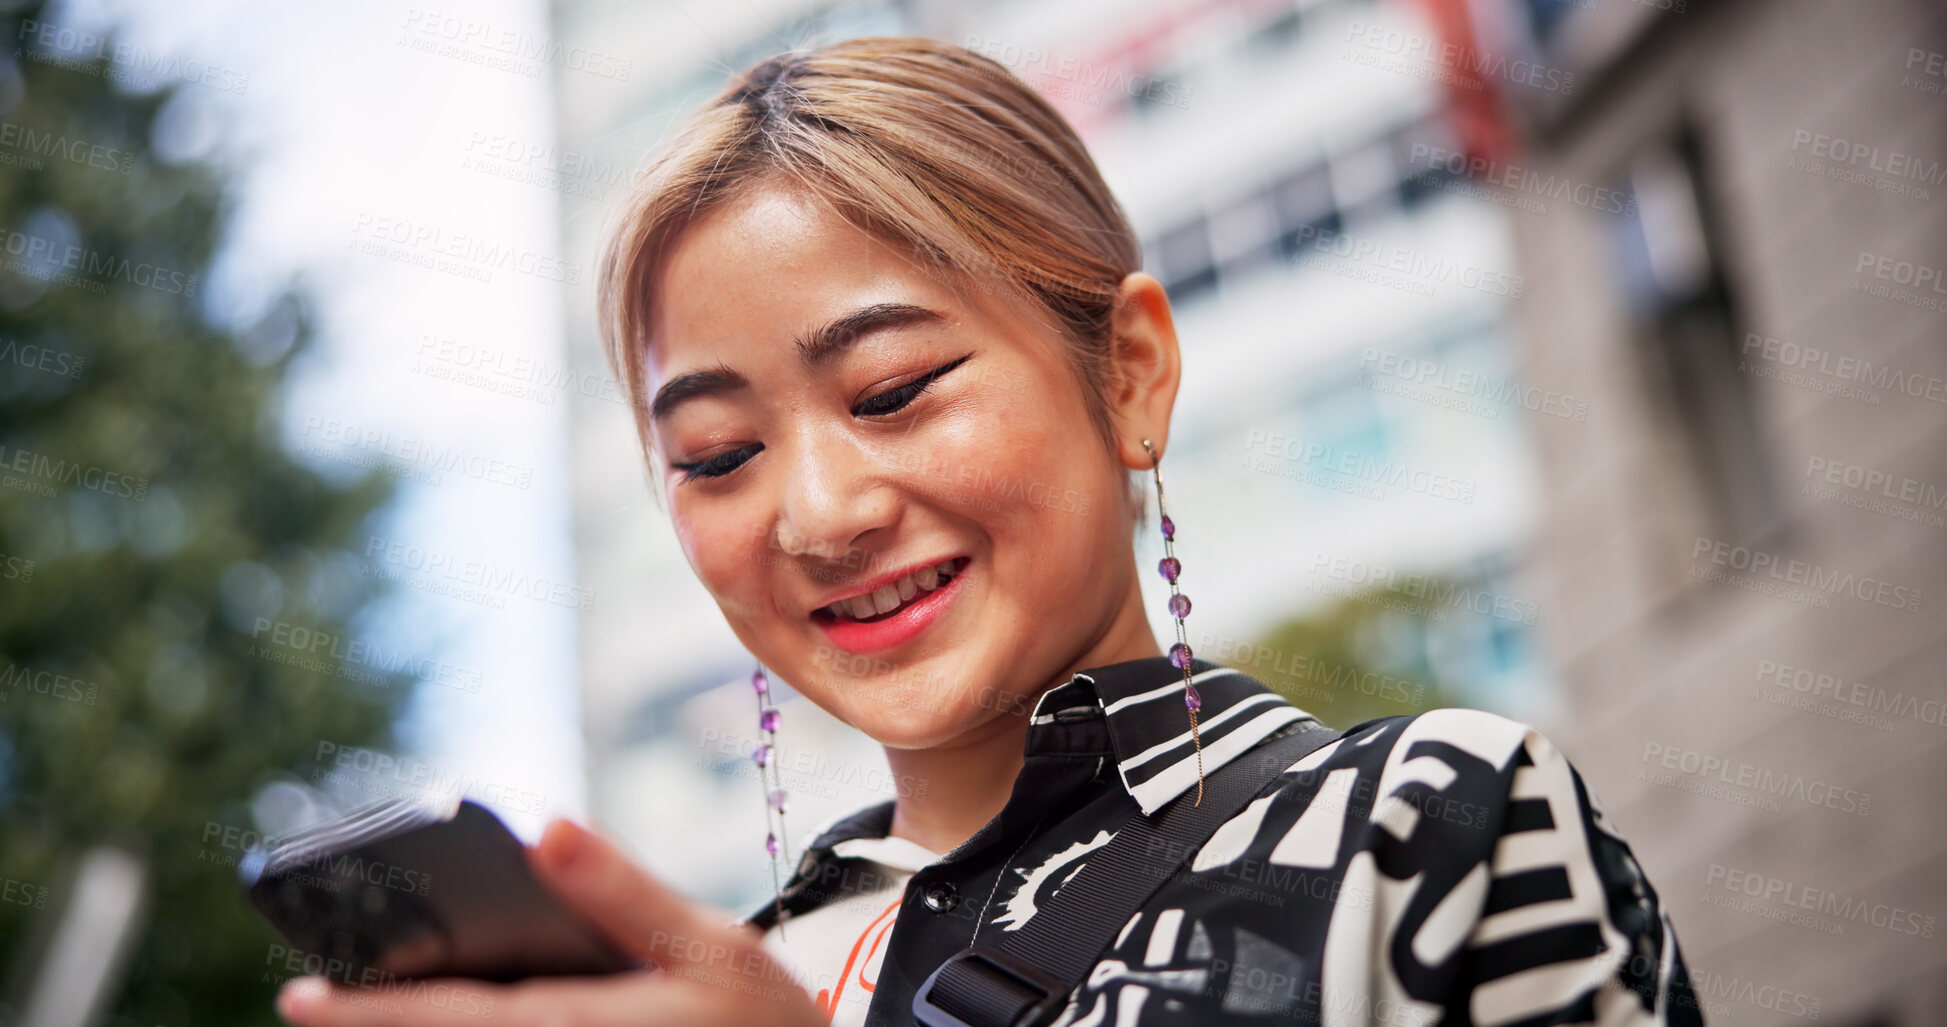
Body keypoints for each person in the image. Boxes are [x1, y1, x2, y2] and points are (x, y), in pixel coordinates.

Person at [275, 37, 1703, 1027]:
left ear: (1128, 371)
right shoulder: (712, 980)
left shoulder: (1434, 826)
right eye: (717, 454)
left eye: (893, 390)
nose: (824, 513)